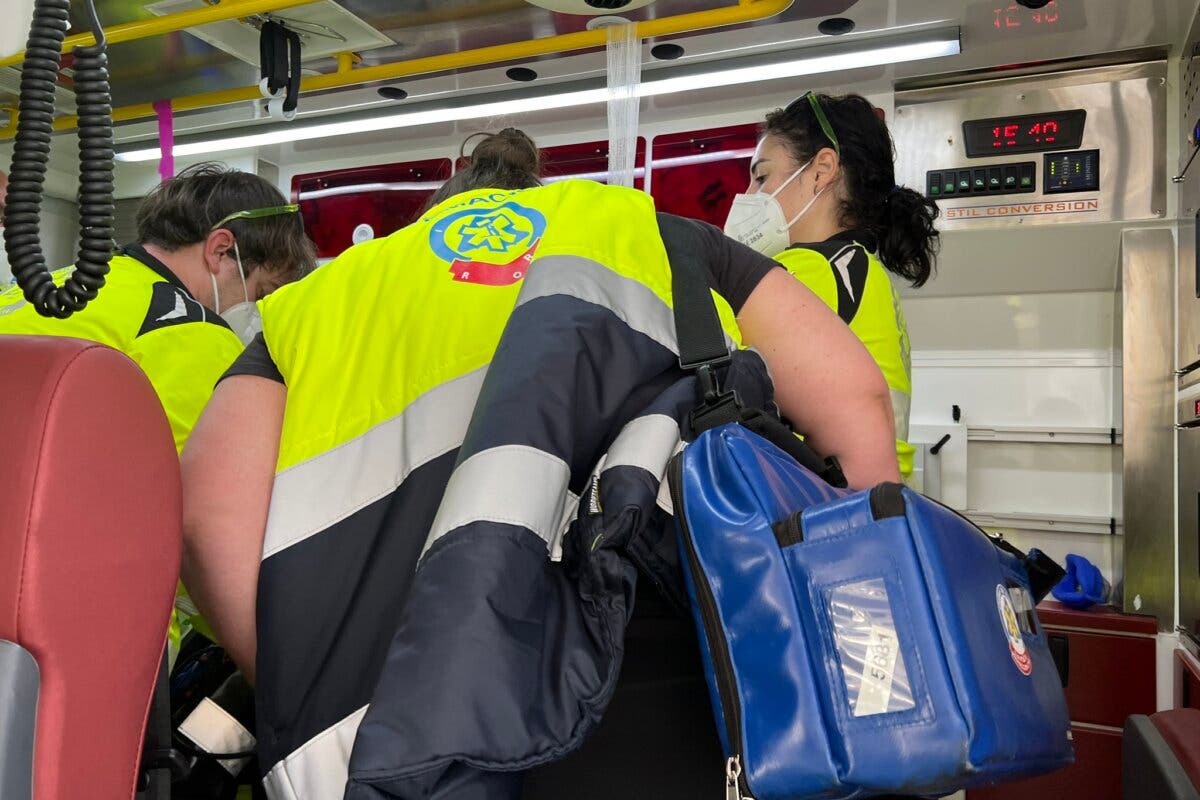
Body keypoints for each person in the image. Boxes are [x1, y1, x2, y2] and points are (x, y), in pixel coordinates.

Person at [179, 128, 900, 799]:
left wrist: (302, 675)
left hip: (392, 717)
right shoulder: (646, 234)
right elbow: (855, 402)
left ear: (442, 213)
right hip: (648, 684)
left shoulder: (318, 299)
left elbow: (208, 520)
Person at [0, 162, 314, 663]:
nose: (254, 311)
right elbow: (207, 528)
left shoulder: (39, 291)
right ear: (220, 250)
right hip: (72, 635)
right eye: (261, 292)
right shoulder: (188, 332)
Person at [725, 91, 940, 480]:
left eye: (762, 177)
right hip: (870, 502)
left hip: (829, 507)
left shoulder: (814, 268)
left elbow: (712, 367)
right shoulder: (859, 266)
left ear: (822, 169)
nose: (750, 196)